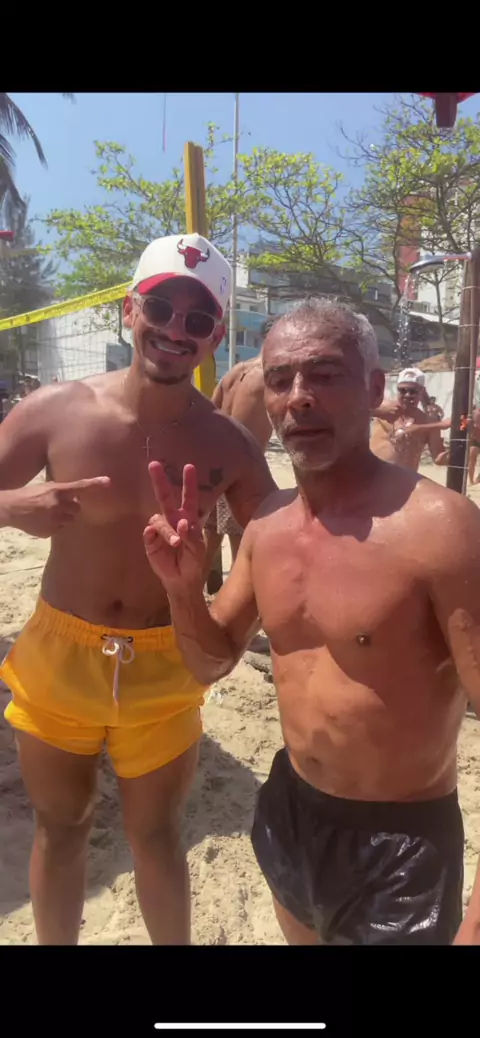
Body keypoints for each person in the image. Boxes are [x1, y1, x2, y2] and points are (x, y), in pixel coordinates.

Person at [144, 297, 480, 946]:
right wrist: (183, 591)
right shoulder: (267, 525)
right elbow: (210, 661)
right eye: (279, 379)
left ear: (374, 389)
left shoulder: (442, 531)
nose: (298, 397)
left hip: (399, 846)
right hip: (291, 812)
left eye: (324, 375)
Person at [0, 232, 276, 946]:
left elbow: (277, 545)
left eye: (196, 318)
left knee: (157, 836)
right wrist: (9, 506)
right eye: (161, 308)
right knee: (61, 827)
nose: (175, 329)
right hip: (59, 653)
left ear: (215, 333)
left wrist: (222, 622)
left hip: (163, 660)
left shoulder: (229, 445)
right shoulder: (55, 410)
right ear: (130, 309)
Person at [204, 324, 273, 572]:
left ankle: (190, 594)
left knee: (209, 543)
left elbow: (209, 415)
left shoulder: (234, 372)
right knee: (243, 553)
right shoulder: (271, 377)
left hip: (211, 469)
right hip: (240, 473)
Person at [370, 367, 450, 471]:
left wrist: (463, 447)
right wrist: (376, 411)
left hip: (405, 479)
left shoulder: (428, 421)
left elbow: (439, 458)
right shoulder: (384, 408)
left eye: (413, 391)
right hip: (376, 474)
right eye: (402, 390)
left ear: (421, 392)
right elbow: (354, 411)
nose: (407, 395)